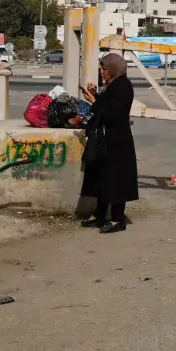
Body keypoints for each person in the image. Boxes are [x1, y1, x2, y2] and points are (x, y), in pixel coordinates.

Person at [72, 53, 138, 234]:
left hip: (117, 141)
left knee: (116, 180)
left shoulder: (123, 86)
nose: (102, 72)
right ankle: (99, 214)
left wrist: (94, 102)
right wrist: (94, 96)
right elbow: (106, 106)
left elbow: (111, 114)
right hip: (107, 139)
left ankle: (118, 219)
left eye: (104, 68)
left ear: (113, 69)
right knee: (103, 177)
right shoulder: (114, 85)